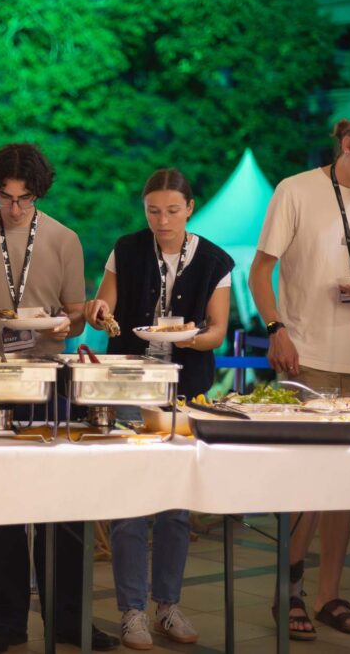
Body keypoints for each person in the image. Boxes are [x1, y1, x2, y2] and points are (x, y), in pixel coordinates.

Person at [0, 144, 119, 654]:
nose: (13, 208)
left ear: (39, 194)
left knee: (65, 508)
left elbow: (74, 315)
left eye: (24, 199)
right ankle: (6, 623)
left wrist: (73, 321)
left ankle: (68, 621)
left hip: (49, 378)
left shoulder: (64, 239)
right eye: (4, 197)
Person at [248, 109, 350, 640]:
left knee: (345, 486)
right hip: (305, 353)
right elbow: (260, 271)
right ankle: (288, 589)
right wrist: (276, 328)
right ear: (349, 145)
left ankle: (328, 594)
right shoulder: (295, 190)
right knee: (304, 481)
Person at [85, 168, 232, 650]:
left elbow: (217, 331)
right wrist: (99, 313)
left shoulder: (214, 260)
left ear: (190, 208)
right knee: (129, 501)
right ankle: (132, 611)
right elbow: (106, 306)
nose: (162, 220)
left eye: (171, 210)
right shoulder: (126, 250)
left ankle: (168, 604)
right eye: (153, 211)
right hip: (130, 384)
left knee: (174, 504)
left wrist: (191, 338)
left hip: (186, 390)